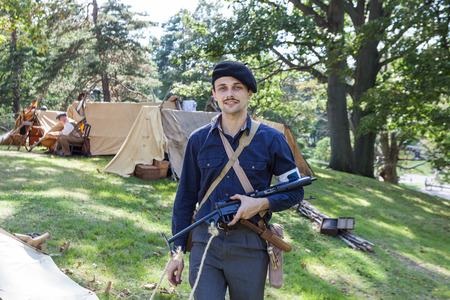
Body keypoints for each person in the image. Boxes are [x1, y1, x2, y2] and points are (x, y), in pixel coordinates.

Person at [167, 61, 304, 299]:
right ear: (214, 95)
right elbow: (185, 199)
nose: (229, 93)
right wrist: (176, 254)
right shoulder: (198, 140)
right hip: (205, 241)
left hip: (250, 243)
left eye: (237, 87)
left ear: (249, 92)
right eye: (222, 88)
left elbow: (295, 192)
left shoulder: (273, 140)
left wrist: (260, 204)